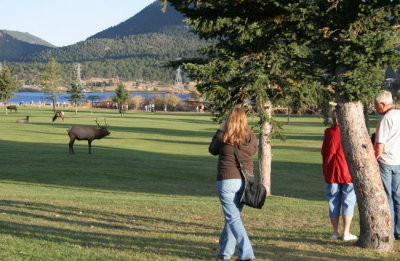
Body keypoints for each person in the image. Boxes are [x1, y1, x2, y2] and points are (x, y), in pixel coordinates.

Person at [209, 107, 257, 261]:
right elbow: (253, 151)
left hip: (227, 180)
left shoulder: (223, 136)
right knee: (232, 217)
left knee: (233, 218)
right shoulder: (250, 137)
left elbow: (212, 150)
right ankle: (225, 253)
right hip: (245, 182)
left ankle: (247, 254)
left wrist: (219, 129)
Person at [321, 110, 357, 241]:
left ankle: (335, 232)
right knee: (348, 200)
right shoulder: (350, 132)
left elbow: (324, 152)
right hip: (347, 171)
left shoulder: (328, 132)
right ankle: (346, 232)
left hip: (332, 171)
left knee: (333, 201)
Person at [374, 90, 400, 240]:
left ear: (383, 104)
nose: (376, 109)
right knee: (398, 198)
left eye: (377, 106)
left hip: (386, 162)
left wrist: (373, 160)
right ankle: (398, 230)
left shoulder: (385, 120)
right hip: (399, 161)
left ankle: (389, 230)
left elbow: (379, 145)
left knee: (388, 197)